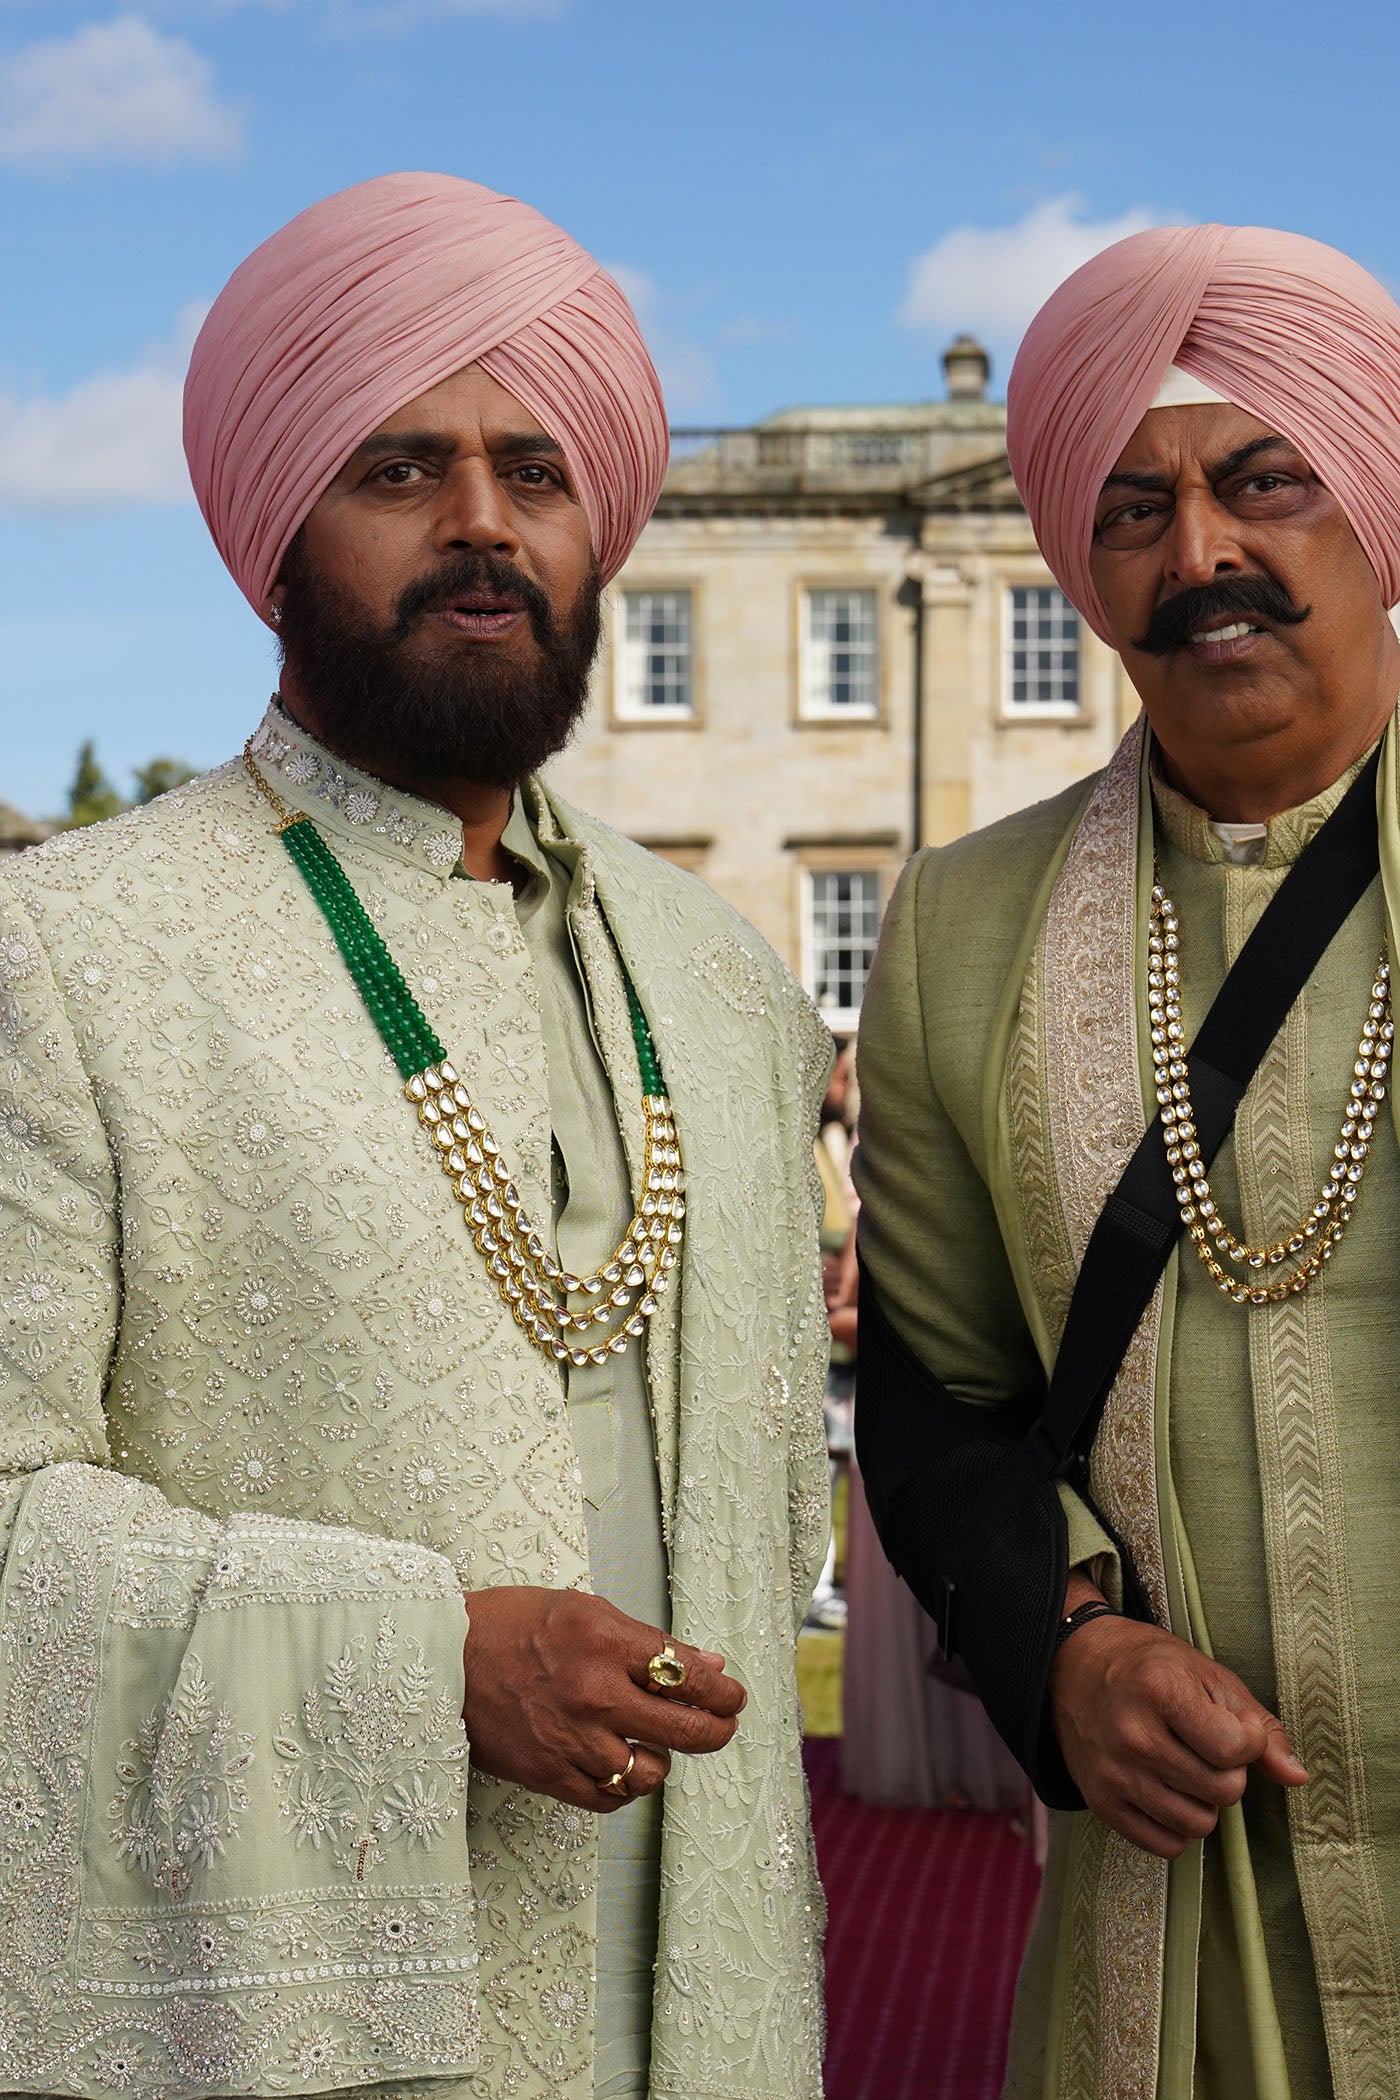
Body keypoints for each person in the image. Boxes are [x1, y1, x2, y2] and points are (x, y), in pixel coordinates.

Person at [0, 173, 832, 2100]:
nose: (484, 522)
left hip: (712, 2015)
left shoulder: (712, 973)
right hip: (297, 2035)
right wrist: (411, 1658)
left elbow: (782, 1496)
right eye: (399, 466)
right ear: (275, 525)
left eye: (536, 470)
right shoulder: (70, 952)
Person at [854, 223, 1400, 2099]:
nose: (1203, 555)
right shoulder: (956, 929)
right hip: (1186, 1905)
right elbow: (938, 1404)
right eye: (1133, 508)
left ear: (1380, 512)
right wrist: (1065, 1651)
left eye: (1267, 481)